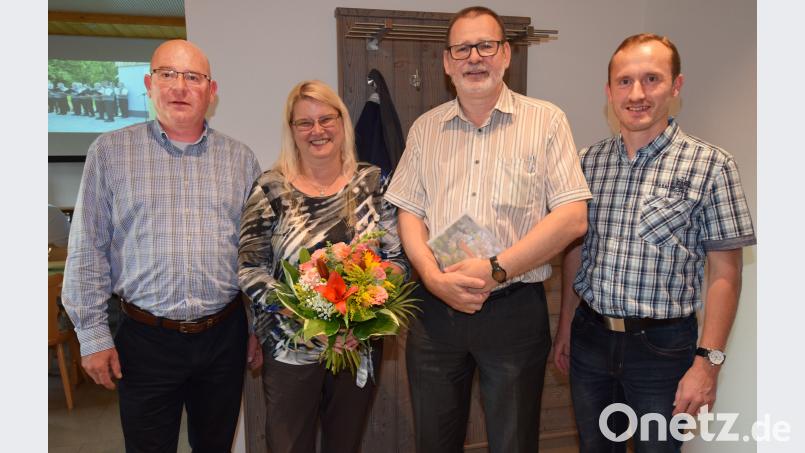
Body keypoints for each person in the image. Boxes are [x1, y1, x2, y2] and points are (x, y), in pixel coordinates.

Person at [385, 6, 591, 453]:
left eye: (486, 46)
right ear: (447, 62)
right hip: (435, 311)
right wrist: (432, 277)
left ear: (506, 54)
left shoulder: (546, 121)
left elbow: (573, 216)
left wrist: (497, 268)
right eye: (462, 49)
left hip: (514, 311)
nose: (474, 57)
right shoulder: (425, 130)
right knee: (434, 442)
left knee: (513, 442)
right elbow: (409, 212)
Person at [552, 33, 756, 452]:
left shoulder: (711, 166)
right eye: (624, 81)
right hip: (590, 337)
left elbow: (726, 274)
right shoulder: (586, 162)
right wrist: (565, 326)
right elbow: (577, 251)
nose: (637, 94)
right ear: (609, 91)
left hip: (662, 349)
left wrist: (708, 365)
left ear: (675, 86)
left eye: (651, 79)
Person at [62, 39, 263, 453]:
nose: (180, 87)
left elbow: (256, 253)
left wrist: (255, 326)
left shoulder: (241, 160)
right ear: (149, 84)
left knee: (216, 445)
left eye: (193, 77)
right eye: (168, 74)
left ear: (211, 90)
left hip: (224, 335)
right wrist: (93, 336)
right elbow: (87, 247)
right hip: (145, 340)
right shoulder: (110, 153)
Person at [238, 79, 410, 453]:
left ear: (342, 122)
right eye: (305, 122)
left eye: (326, 119)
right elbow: (250, 268)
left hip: (356, 344)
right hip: (290, 346)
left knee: (345, 443)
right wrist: (302, 312)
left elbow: (397, 260)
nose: (317, 130)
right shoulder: (270, 188)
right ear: (292, 130)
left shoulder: (374, 182)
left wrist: (360, 313)